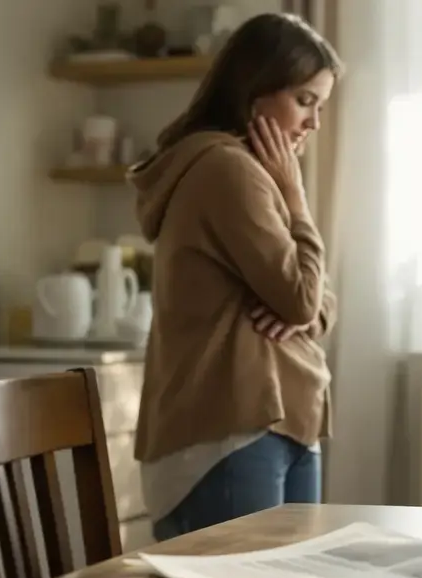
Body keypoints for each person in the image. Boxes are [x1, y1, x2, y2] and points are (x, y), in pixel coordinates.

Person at [129, 13, 342, 541]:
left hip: (283, 420)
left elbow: (318, 301)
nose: (314, 123)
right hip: (230, 429)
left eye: (320, 105)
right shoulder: (227, 170)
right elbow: (301, 298)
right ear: (254, 90)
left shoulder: (252, 172)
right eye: (305, 101)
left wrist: (304, 307)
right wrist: (297, 203)